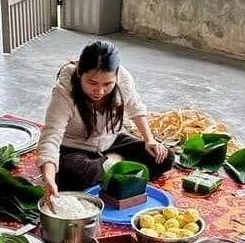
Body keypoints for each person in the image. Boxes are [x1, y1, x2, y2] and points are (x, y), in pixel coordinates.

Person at [37, 40, 173, 196]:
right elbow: (51, 134)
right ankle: (116, 166)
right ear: (80, 72)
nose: (100, 91)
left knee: (165, 158)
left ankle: (111, 163)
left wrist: (149, 139)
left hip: (110, 141)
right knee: (73, 176)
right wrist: (48, 178)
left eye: (108, 84)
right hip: (74, 147)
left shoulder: (123, 79)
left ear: (116, 75)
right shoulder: (64, 89)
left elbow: (136, 108)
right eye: (92, 83)